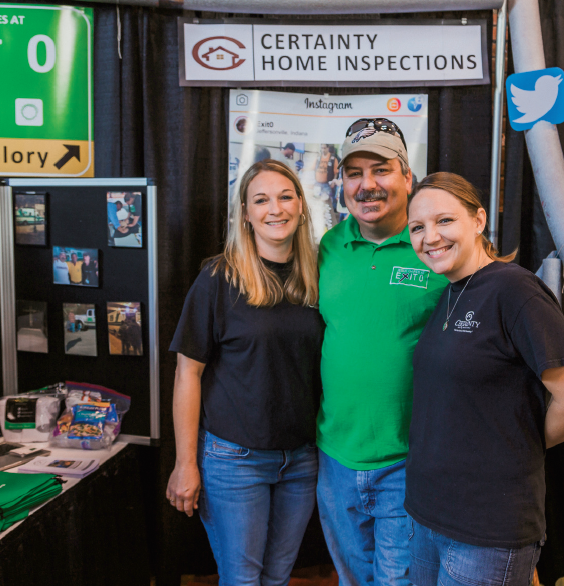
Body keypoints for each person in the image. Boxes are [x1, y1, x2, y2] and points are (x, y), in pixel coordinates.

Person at [166, 159, 324, 586]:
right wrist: (185, 464)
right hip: (234, 460)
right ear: (246, 213)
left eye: (285, 197)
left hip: (302, 459)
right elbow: (187, 375)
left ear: (301, 205)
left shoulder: (317, 276)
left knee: (277, 578)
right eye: (261, 200)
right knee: (242, 580)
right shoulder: (218, 278)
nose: (275, 209)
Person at [404, 172, 564, 586]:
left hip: (487, 531)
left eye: (444, 220)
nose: (430, 237)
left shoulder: (515, 290)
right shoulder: (451, 292)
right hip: (426, 517)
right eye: (417, 227)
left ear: (478, 220)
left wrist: (525, 441)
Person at [316, 118, 448, 585]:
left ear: (408, 177)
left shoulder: (436, 247)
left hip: (408, 461)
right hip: (335, 459)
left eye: (381, 170)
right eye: (354, 173)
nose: (367, 185)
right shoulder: (328, 248)